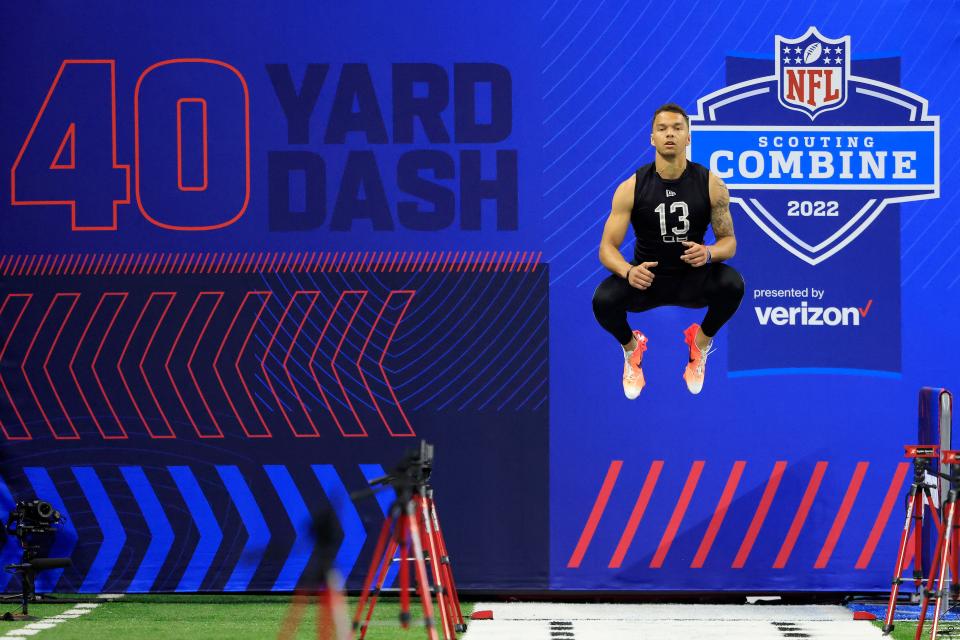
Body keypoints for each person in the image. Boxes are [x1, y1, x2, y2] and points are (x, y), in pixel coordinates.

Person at [592, 103, 744, 398]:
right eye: (662, 129)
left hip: (694, 280)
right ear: (652, 138)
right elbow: (606, 248)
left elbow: (730, 243)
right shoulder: (631, 187)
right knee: (603, 300)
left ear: (689, 137)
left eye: (677, 128)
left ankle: (698, 345)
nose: (670, 134)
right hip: (647, 280)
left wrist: (710, 252)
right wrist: (628, 270)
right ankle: (631, 350)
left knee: (733, 284)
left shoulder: (711, 184)